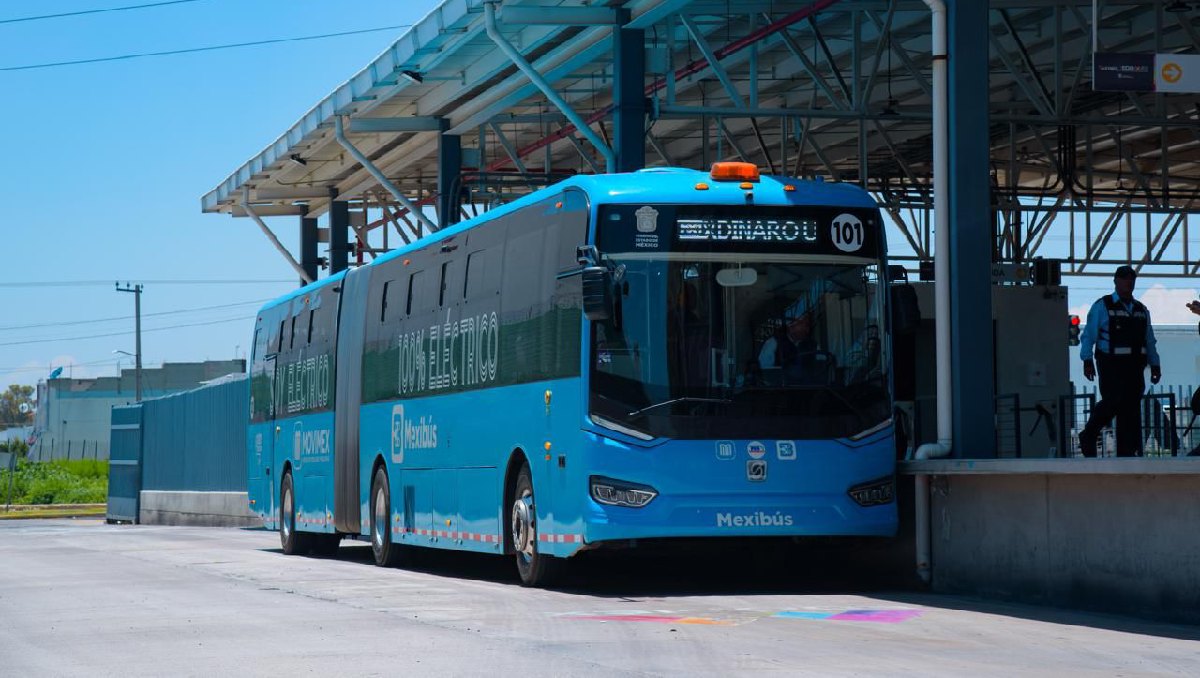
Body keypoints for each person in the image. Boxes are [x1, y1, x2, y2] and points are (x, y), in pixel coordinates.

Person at [1078, 265, 1161, 457]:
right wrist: (1087, 360)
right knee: (1114, 400)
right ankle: (1089, 434)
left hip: (1135, 365)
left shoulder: (1141, 310)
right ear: (1116, 281)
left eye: (1131, 278)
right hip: (1110, 363)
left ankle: (1126, 452)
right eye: (1124, 278)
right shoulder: (1103, 305)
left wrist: (1155, 363)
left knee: (1130, 407)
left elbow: (1149, 339)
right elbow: (1089, 335)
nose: (1128, 282)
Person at [758, 312, 825, 384]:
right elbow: (765, 373)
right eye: (803, 324)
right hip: (783, 392)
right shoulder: (773, 343)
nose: (807, 329)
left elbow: (822, 369)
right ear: (791, 326)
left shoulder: (813, 345)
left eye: (808, 325)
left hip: (809, 391)